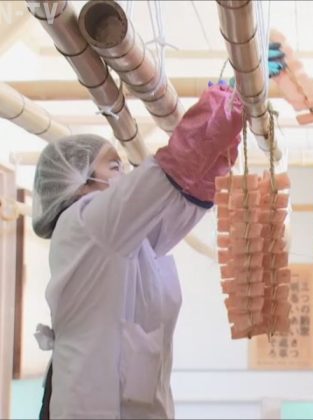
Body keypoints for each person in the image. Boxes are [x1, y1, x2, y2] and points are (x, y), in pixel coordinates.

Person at [32, 84, 242, 419]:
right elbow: (165, 174)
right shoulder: (85, 223)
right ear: (79, 182)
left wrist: (220, 144)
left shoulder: (122, 237)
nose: (126, 174)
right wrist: (220, 106)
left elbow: (184, 202)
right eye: (114, 167)